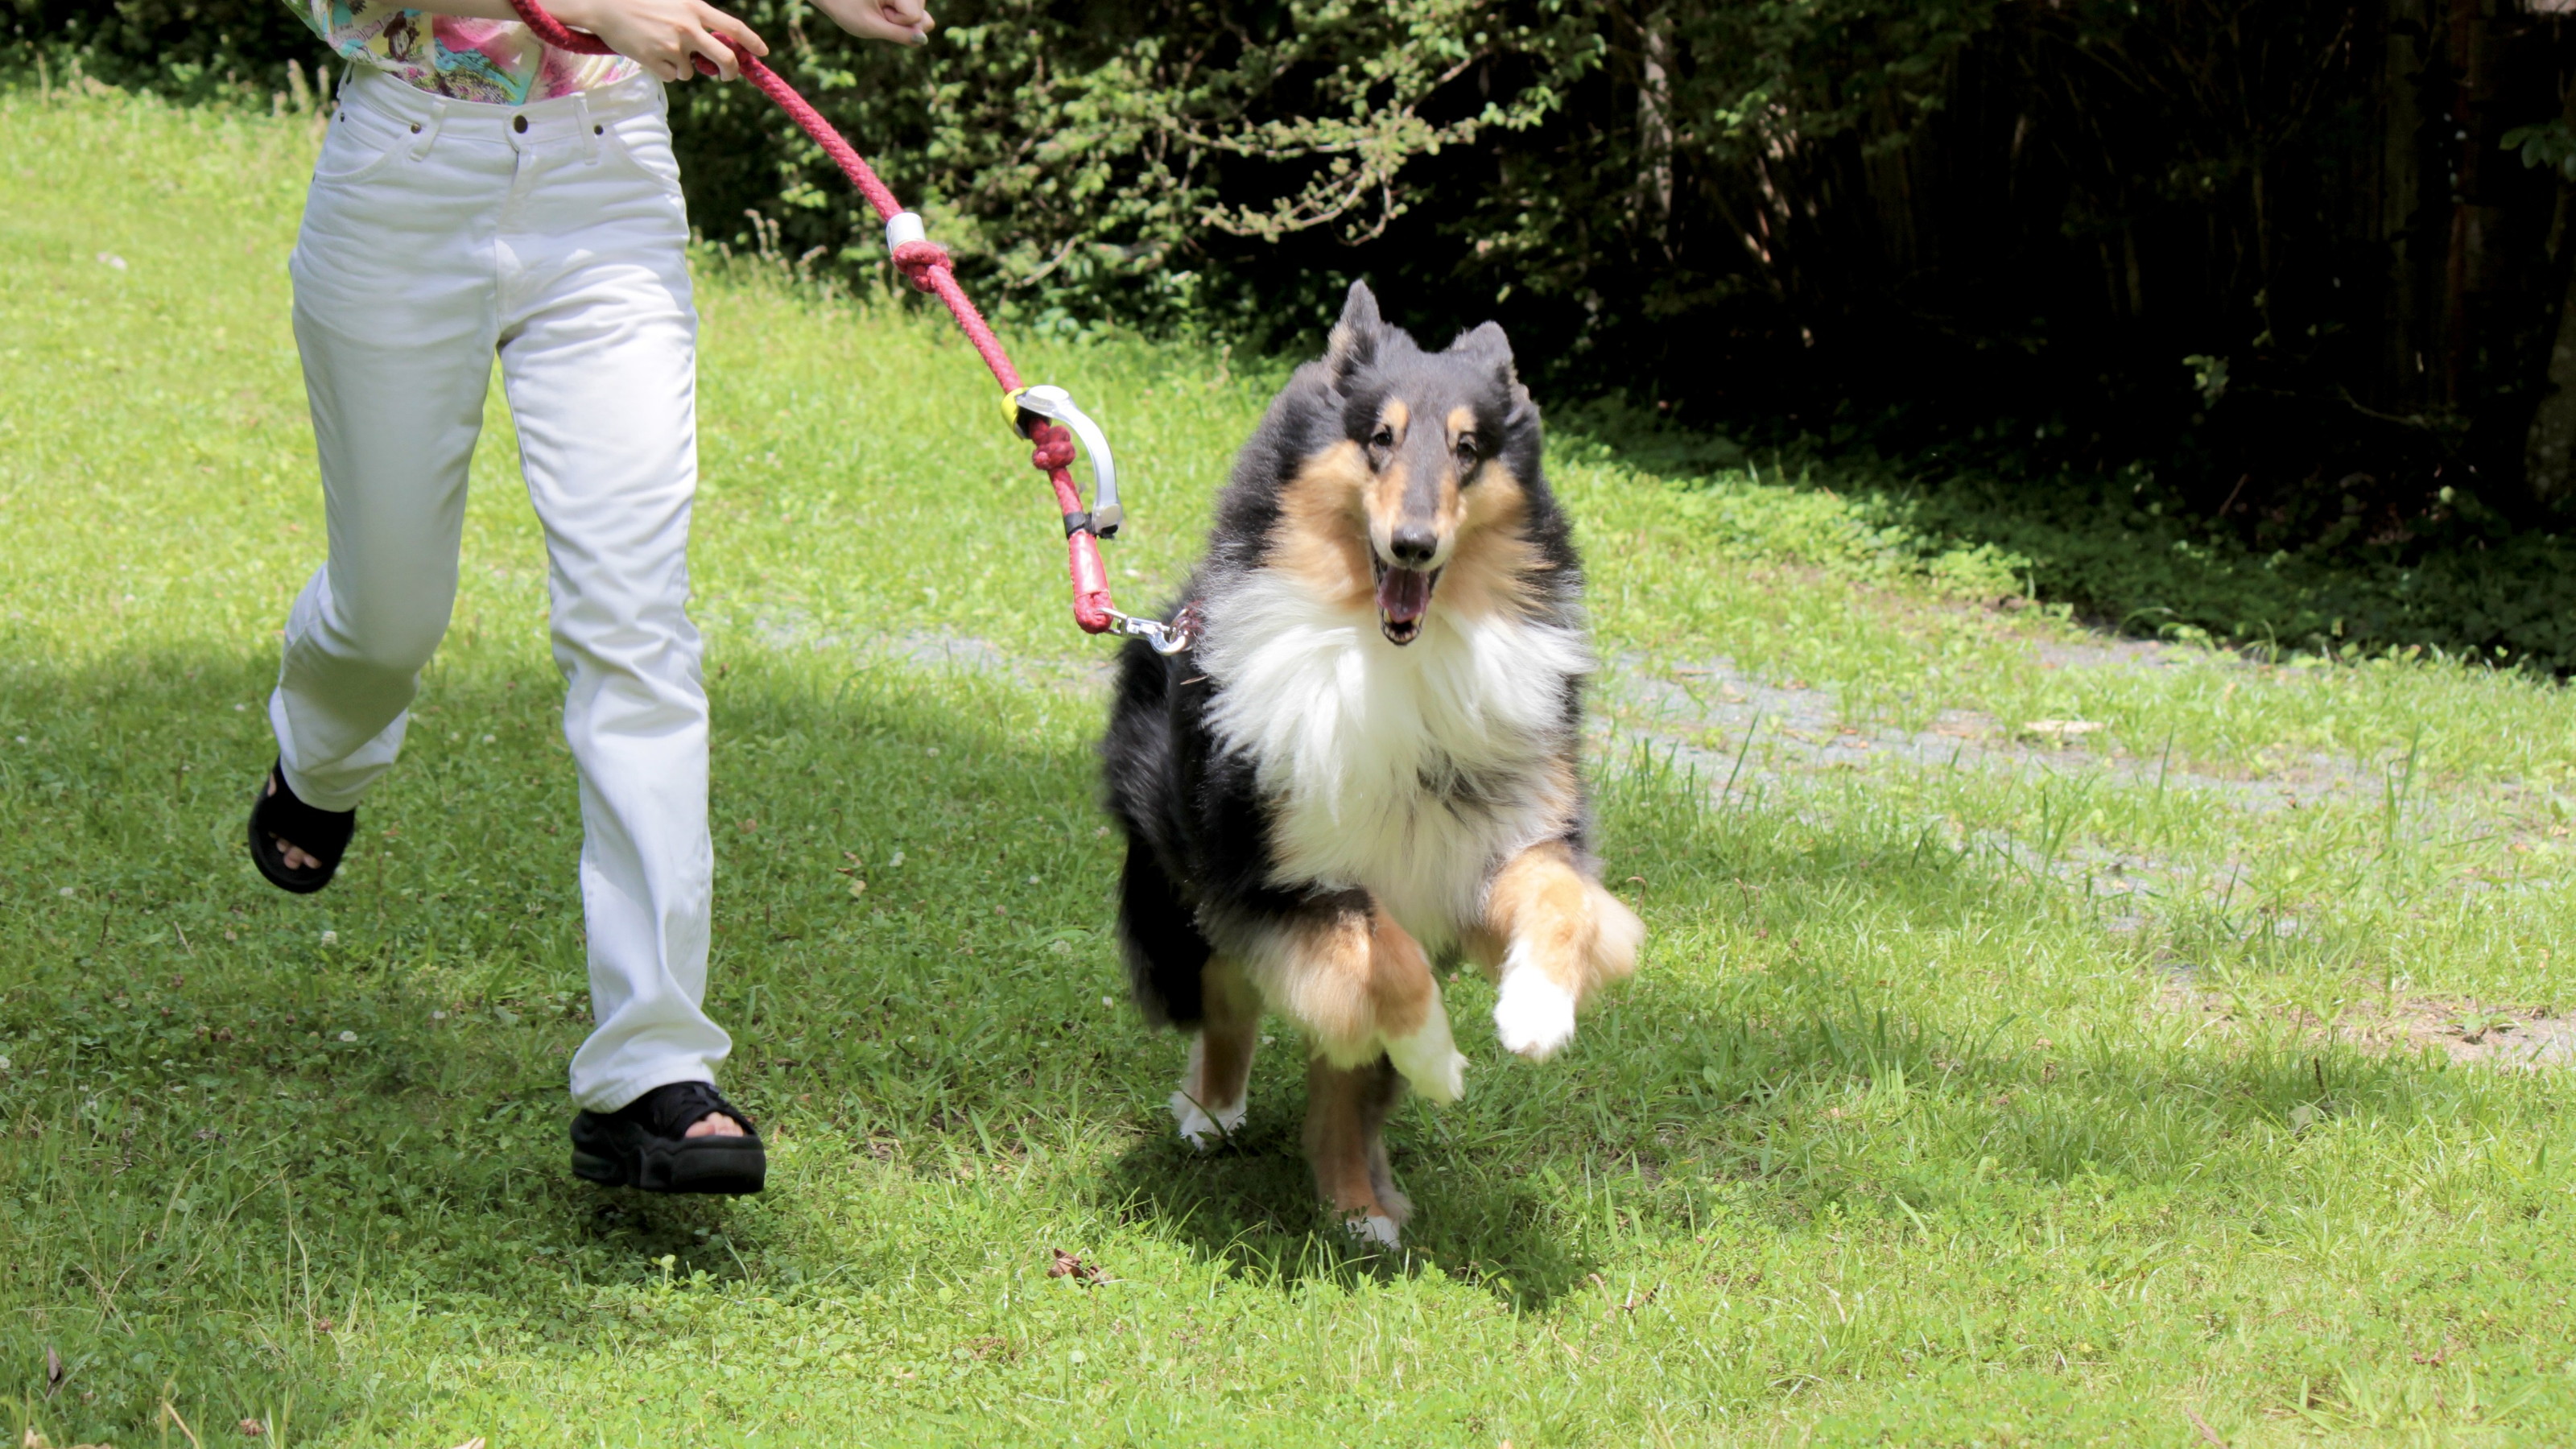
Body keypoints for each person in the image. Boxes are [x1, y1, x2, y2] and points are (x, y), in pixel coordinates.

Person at [253, 0, 933, 1194]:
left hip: (607, 178)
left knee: (635, 621)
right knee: (390, 610)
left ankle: (652, 1072)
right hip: (405, 175)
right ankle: (323, 756)